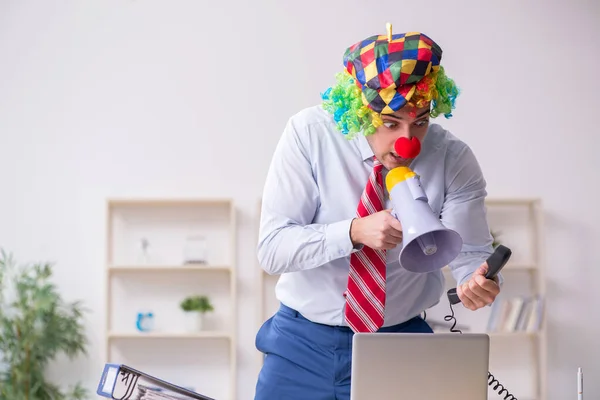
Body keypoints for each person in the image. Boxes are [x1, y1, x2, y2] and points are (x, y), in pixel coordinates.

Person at [254, 25, 502, 400]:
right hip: (301, 344)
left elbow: (470, 254)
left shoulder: (453, 158)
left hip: (399, 343)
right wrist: (352, 232)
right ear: (360, 113)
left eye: (420, 121)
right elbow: (272, 249)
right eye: (390, 123)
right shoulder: (308, 134)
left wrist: (476, 282)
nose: (408, 141)